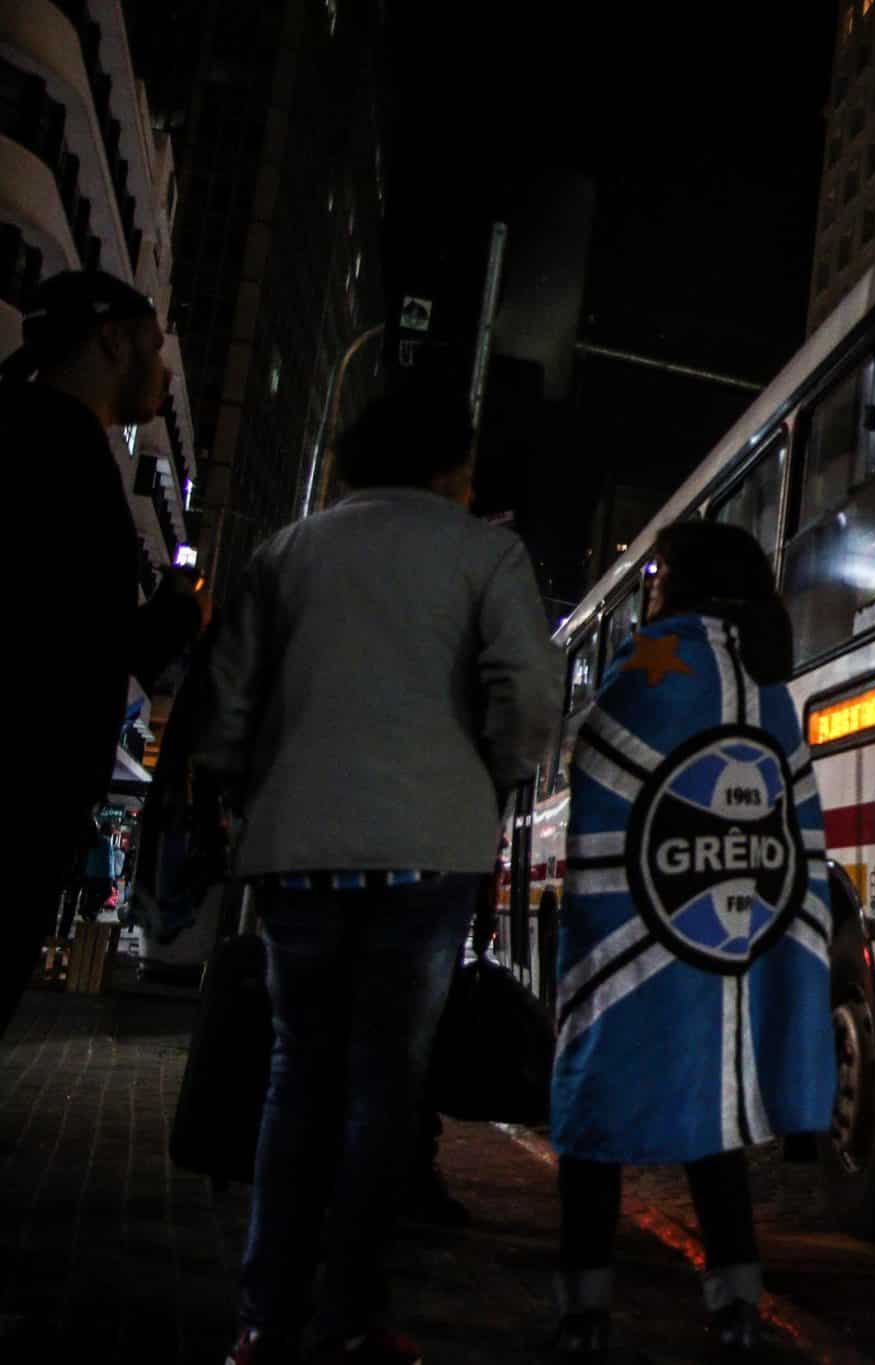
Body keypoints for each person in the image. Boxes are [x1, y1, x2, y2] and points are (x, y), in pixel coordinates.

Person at [197, 384, 562, 1365]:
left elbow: (225, 703)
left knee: (295, 1079)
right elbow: (528, 696)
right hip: (426, 853)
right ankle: (351, 1317)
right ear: (453, 469)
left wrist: (243, 790)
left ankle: (264, 1319)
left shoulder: (287, 551)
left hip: (300, 849)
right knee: (384, 1092)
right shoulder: (488, 553)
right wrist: (488, 773)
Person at [549, 520, 832, 1362]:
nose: (654, 584)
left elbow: (593, 763)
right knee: (717, 1116)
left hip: (636, 932)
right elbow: (791, 823)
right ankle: (736, 1304)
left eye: (661, 569)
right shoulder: (768, 680)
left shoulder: (650, 662)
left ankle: (584, 1312)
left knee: (592, 1116)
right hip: (726, 939)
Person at [0, 270, 201, 1037]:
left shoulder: (26, 427)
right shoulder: (65, 457)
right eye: (153, 345)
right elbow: (87, 647)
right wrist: (178, 617)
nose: (163, 364)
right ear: (111, 339)